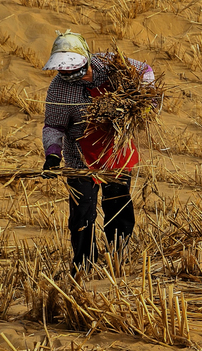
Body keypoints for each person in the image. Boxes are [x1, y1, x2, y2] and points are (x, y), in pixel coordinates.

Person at [41, 29, 154, 275]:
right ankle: (84, 266)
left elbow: (146, 72)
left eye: (72, 69)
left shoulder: (112, 66)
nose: (67, 74)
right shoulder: (58, 90)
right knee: (82, 216)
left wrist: (143, 102)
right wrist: (52, 154)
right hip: (79, 158)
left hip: (116, 153)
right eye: (63, 70)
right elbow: (54, 126)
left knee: (118, 208)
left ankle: (118, 260)